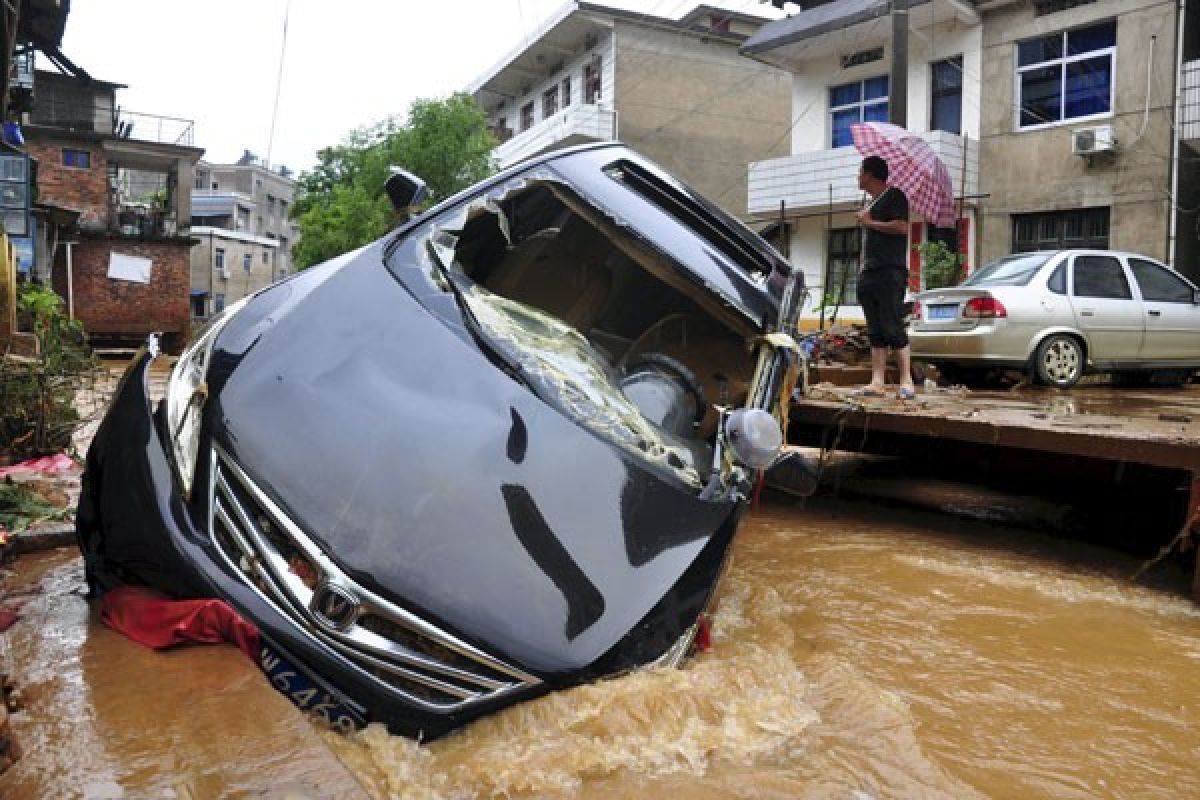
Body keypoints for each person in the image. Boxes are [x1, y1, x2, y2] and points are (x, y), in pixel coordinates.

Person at [854, 155, 915, 400]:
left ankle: (906, 380)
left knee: (892, 324)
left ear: (870, 174)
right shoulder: (872, 202)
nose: (858, 177)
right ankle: (876, 382)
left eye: (860, 172)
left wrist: (871, 222)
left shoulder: (895, 196)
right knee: (875, 328)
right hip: (870, 272)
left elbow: (902, 227)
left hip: (890, 271)